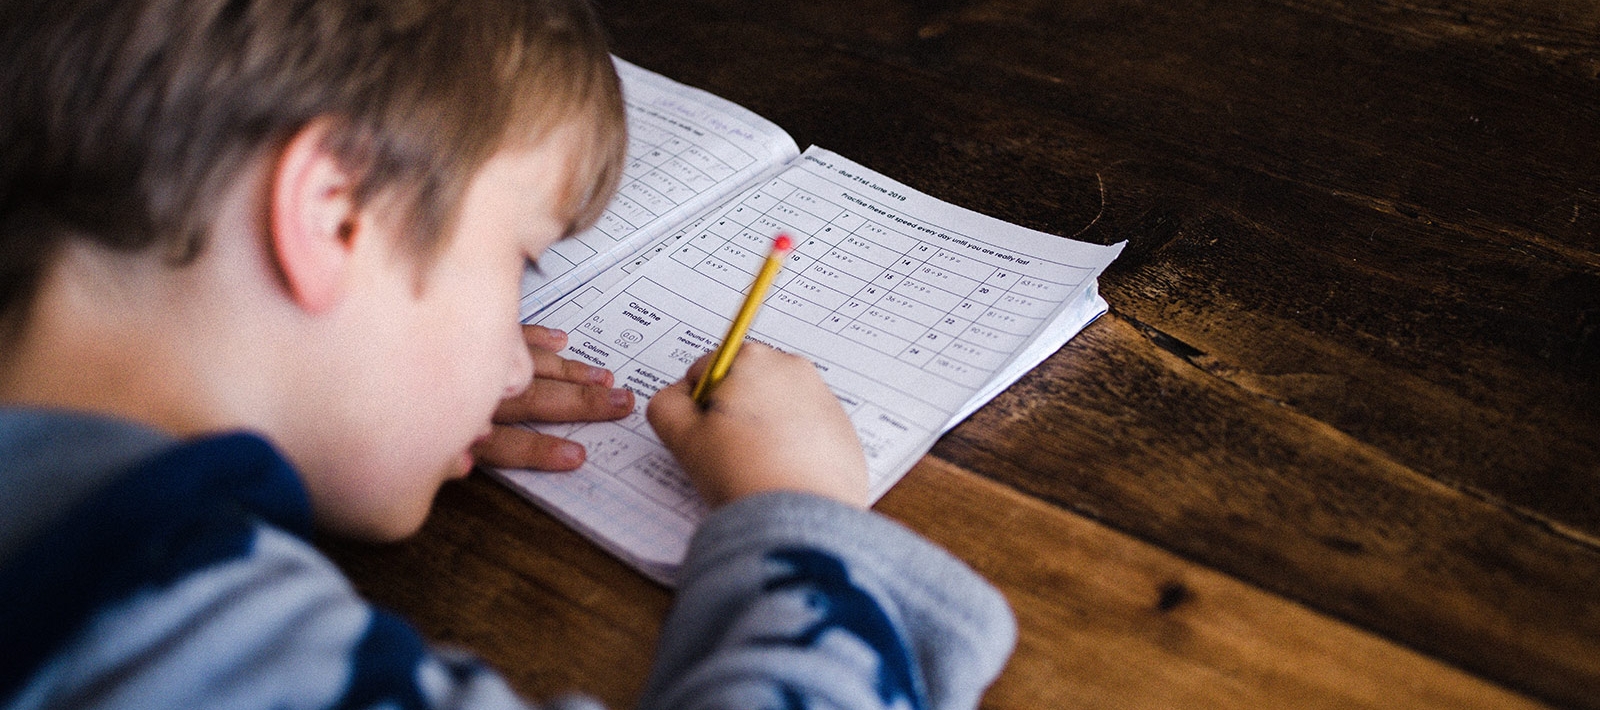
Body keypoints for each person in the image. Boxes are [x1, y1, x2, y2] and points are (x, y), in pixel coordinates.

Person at [0, 0, 1016, 708]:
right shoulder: (146, 624)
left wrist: (354, 400)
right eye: (520, 261)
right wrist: (803, 521)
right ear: (336, 214)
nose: (517, 365)